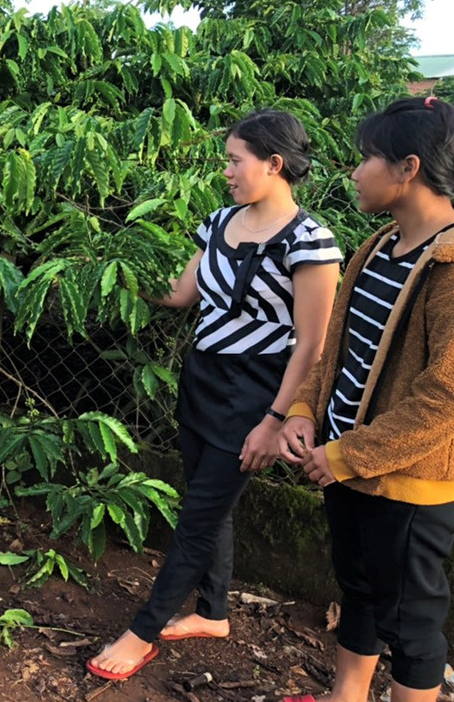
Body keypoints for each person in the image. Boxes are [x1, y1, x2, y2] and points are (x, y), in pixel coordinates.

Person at [87, 109, 342, 680]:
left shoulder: (310, 241)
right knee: (208, 504)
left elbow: (312, 345)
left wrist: (274, 420)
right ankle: (214, 612)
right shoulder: (220, 221)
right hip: (202, 379)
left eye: (235, 160)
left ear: (274, 164)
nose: (226, 171)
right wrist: (106, 271)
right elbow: (180, 295)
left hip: (256, 393)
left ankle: (142, 631)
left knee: (200, 516)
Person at [278, 97, 454, 702]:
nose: (356, 172)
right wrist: (306, 412)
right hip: (347, 464)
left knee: (412, 624)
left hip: (407, 482)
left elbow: (448, 398)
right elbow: (337, 351)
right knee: (357, 592)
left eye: (368, 158)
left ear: (409, 167)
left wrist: (345, 455)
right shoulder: (382, 244)